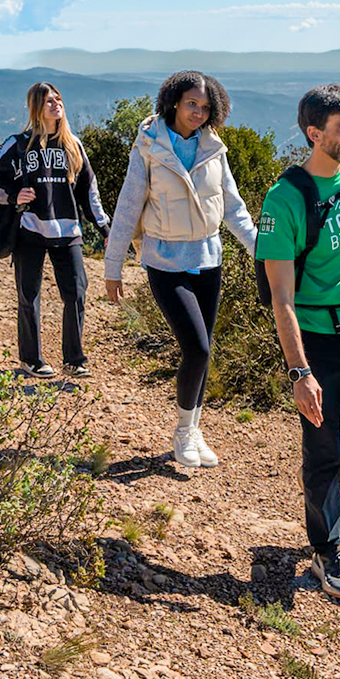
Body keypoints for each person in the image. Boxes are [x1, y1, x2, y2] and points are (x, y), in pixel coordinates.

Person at [256, 84, 340, 601]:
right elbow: (281, 297)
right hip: (316, 340)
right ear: (315, 134)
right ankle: (328, 548)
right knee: (319, 447)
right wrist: (300, 372)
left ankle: (322, 485)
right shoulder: (285, 197)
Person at [102, 71, 258, 469]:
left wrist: (261, 250)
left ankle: (194, 428)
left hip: (209, 259)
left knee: (203, 353)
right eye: (192, 104)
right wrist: (113, 265)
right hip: (165, 262)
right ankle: (183, 433)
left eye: (206, 108)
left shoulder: (213, 148)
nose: (198, 113)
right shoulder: (150, 146)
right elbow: (128, 206)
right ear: (174, 101)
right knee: (197, 347)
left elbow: (233, 207)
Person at [0, 82, 110, 377]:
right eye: (48, 101)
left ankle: (74, 360)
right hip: (30, 230)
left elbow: (90, 191)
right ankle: (31, 359)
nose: (56, 104)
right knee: (29, 296)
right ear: (36, 108)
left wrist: (106, 228)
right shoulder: (18, 143)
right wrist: (13, 196)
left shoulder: (73, 146)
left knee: (76, 293)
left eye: (58, 99)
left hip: (68, 231)